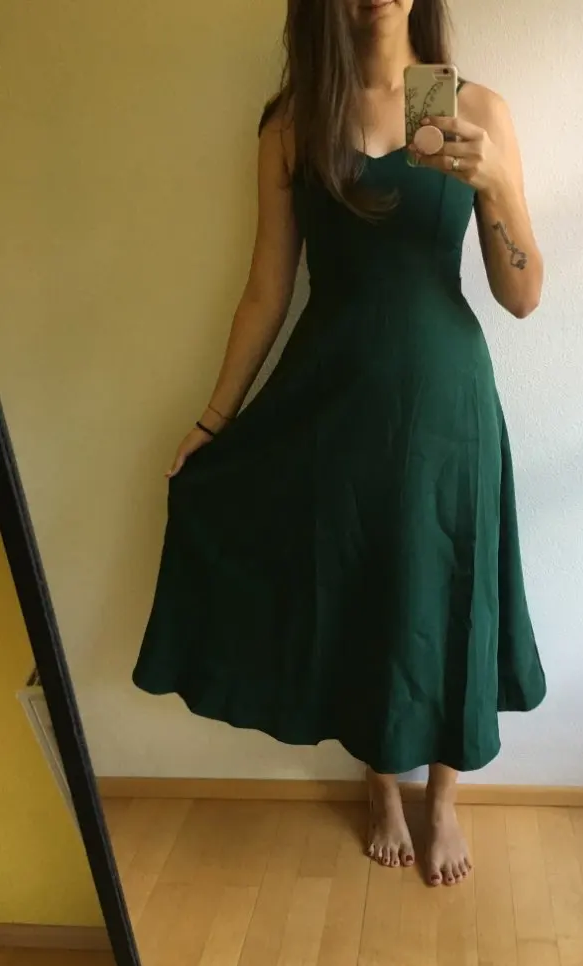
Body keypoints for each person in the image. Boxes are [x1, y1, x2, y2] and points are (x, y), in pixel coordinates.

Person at [133, 0, 547, 888]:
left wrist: (498, 187)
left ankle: (443, 796)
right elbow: (265, 292)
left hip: (447, 405)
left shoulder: (472, 108)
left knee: (450, 586)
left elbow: (522, 297)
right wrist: (212, 422)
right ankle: (381, 787)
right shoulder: (294, 124)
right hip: (335, 404)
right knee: (359, 587)